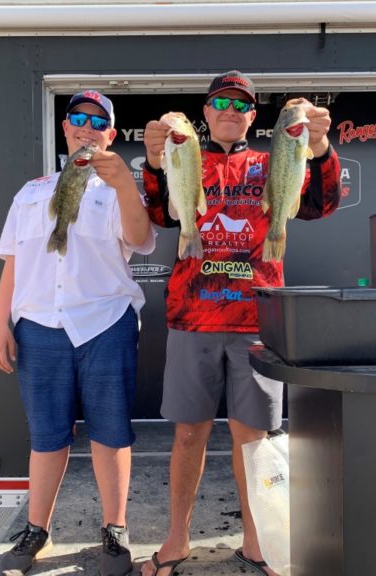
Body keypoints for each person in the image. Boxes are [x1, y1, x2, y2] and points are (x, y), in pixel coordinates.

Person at [139, 71, 342, 576]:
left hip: (257, 320)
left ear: (254, 117)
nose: (231, 110)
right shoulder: (185, 155)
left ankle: (259, 543)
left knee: (253, 438)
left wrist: (318, 147)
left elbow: (321, 204)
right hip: (193, 316)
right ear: (205, 113)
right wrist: (151, 161)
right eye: (221, 103)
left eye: (242, 105)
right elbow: (163, 215)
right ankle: (178, 539)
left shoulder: (270, 160)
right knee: (189, 435)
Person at [0, 90, 155, 576]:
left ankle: (115, 531)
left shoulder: (120, 186)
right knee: (46, 437)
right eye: (78, 117)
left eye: (98, 121)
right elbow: (13, 261)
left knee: (110, 433)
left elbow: (143, 239)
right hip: (39, 325)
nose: (87, 126)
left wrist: (125, 182)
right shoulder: (31, 191)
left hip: (105, 323)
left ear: (110, 133)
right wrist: (0, 321)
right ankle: (36, 530)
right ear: (65, 128)